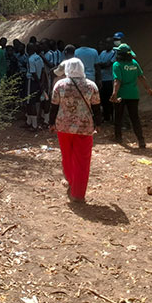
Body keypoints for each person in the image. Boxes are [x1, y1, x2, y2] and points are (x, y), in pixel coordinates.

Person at [50, 57, 100, 202]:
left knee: (67, 154)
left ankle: (70, 180)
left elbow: (54, 106)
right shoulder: (91, 86)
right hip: (84, 127)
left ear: (67, 69)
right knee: (82, 159)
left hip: (63, 126)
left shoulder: (59, 85)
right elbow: (96, 107)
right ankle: (78, 193)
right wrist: (98, 124)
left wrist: (51, 123)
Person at [108, 44, 152, 150]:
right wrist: (148, 89)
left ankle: (118, 137)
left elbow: (117, 80)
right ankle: (141, 140)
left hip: (121, 94)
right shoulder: (134, 63)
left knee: (118, 116)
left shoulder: (117, 65)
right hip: (133, 94)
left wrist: (114, 94)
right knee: (135, 118)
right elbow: (141, 77)